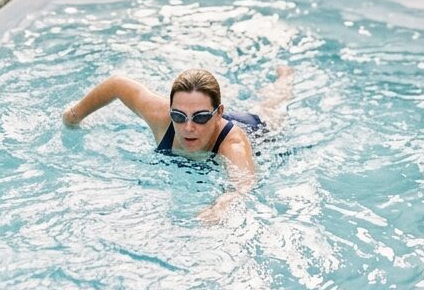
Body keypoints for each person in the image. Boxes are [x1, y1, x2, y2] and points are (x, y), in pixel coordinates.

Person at [63, 66, 292, 219]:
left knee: (270, 108)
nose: (188, 127)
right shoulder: (161, 117)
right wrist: (74, 115)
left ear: (218, 112)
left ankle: (285, 78)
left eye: (201, 118)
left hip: (255, 130)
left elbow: (243, 185)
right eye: (179, 116)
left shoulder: (233, 145)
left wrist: (220, 207)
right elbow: (118, 84)